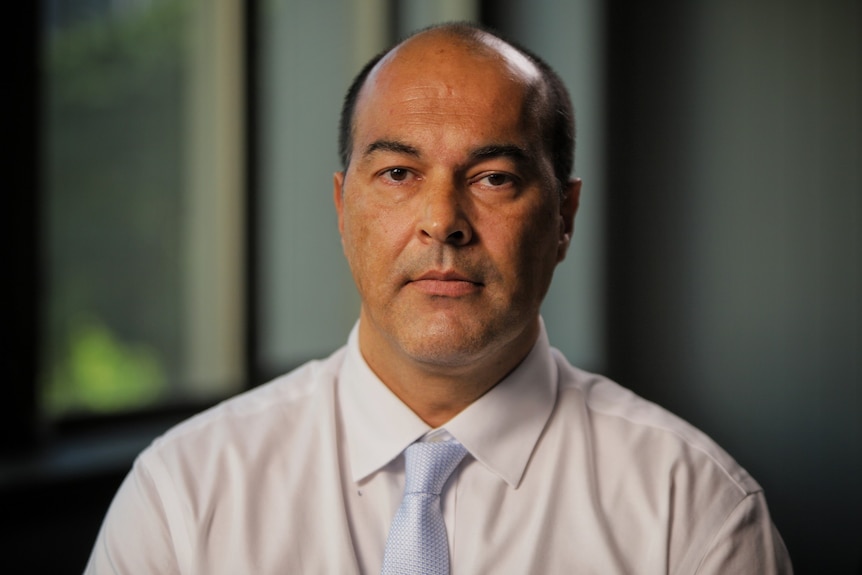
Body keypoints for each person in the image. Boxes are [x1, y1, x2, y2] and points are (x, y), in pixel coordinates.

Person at [85, 22, 792, 574]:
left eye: (493, 178)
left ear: (565, 218)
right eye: (398, 173)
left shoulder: (694, 510)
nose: (442, 220)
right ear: (341, 208)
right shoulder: (184, 493)